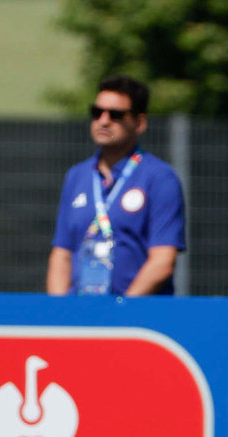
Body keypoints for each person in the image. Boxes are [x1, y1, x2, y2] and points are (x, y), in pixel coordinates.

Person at [47, 75, 186, 296]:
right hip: (81, 316)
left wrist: (120, 314)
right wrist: (60, 312)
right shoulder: (77, 175)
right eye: (96, 112)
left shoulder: (160, 177)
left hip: (136, 319)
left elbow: (162, 261)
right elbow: (62, 254)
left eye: (116, 114)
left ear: (139, 123)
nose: (103, 120)